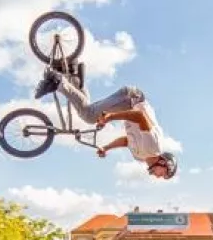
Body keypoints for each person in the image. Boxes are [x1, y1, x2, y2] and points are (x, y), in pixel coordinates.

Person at [33, 71, 177, 179]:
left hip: (128, 105)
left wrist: (107, 148)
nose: (157, 177)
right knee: (89, 115)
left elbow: (127, 141)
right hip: (132, 99)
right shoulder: (154, 147)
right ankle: (58, 82)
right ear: (164, 163)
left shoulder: (140, 157)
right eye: (163, 175)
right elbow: (140, 116)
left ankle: (74, 74)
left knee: (88, 110)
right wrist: (110, 117)